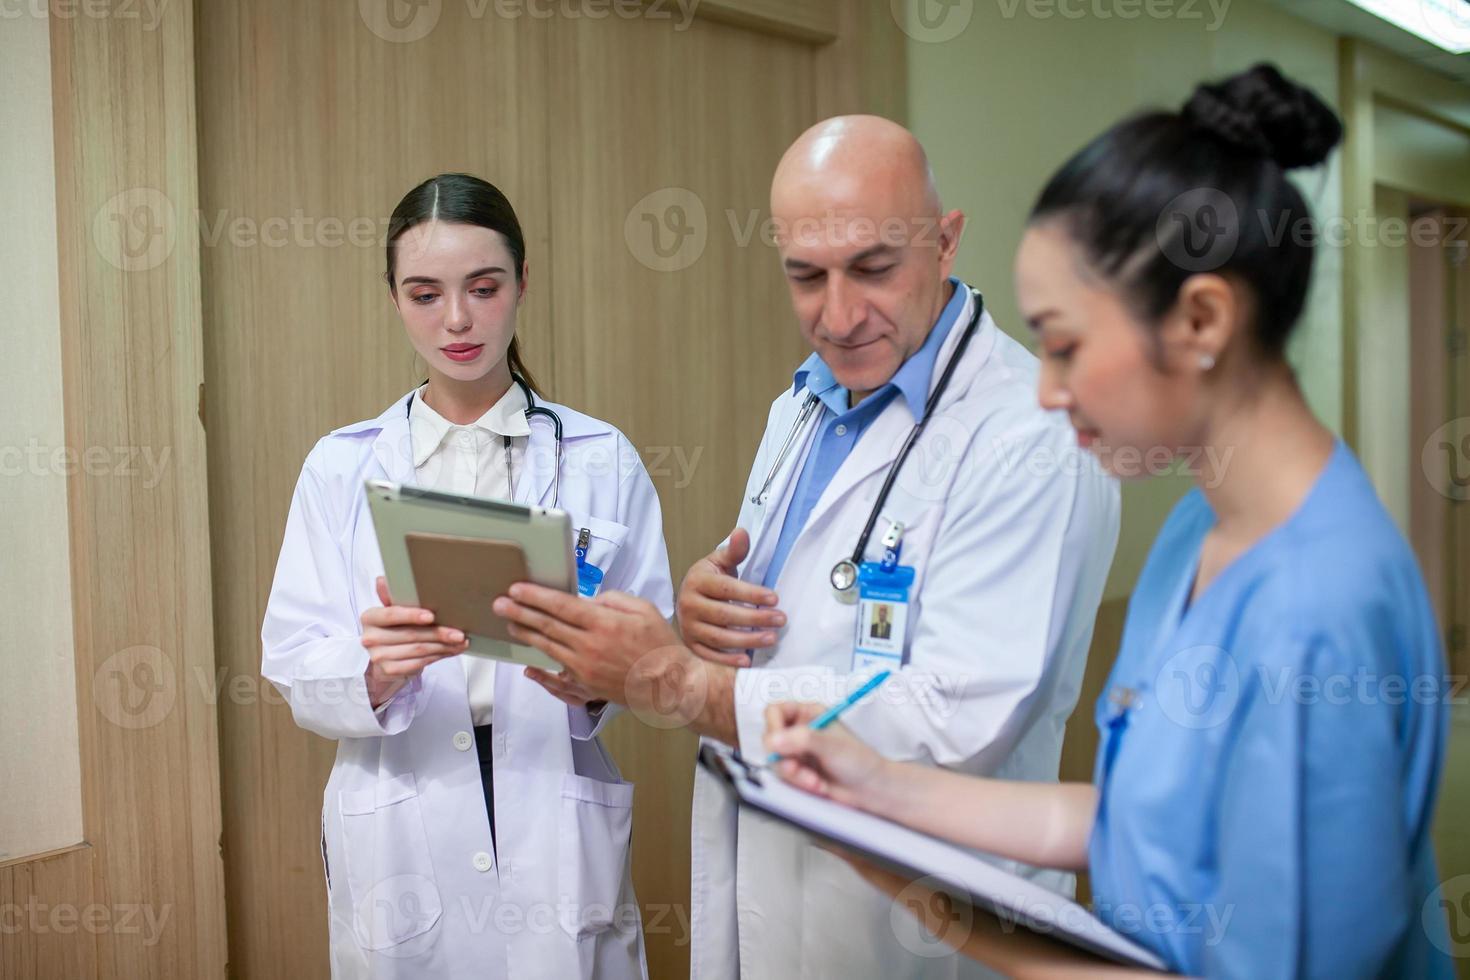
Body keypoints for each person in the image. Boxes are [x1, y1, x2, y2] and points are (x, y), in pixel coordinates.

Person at [760, 65, 1455, 979]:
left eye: (1066, 345)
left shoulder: (1323, 607)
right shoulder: (1196, 539)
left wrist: (948, 910)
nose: (1046, 390)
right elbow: (1123, 822)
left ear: (1202, 318)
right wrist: (878, 792)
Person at [491, 117, 1121, 977]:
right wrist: (700, 618)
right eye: (805, 276)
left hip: (921, 925)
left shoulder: (1031, 435)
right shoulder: (802, 407)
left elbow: (952, 722)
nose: (838, 315)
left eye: (872, 268)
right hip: (772, 876)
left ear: (945, 242)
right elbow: (809, 620)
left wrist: (678, 681)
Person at [261, 173, 673, 979]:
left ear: (523, 284)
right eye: (425, 294)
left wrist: (591, 678)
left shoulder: (599, 459)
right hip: (404, 797)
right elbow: (293, 656)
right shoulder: (341, 467)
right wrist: (374, 672)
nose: (457, 320)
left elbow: (657, 656)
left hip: (549, 789)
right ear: (394, 299)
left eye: (483, 288)